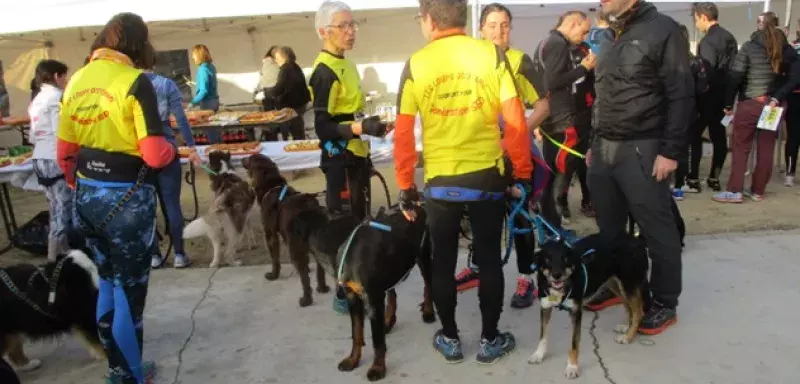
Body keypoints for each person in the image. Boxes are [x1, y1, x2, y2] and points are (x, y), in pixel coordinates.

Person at [395, 0, 533, 364]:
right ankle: (490, 340)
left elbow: (404, 132)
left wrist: (406, 185)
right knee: (489, 259)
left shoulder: (416, 63)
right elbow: (515, 118)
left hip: (441, 181)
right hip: (486, 175)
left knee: (442, 262)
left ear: (428, 19)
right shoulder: (490, 54)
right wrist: (522, 172)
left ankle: (451, 339)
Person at [57, 13, 176, 384]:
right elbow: (155, 154)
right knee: (129, 293)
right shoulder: (134, 81)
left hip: (87, 196)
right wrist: (173, 149)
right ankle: (133, 376)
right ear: (138, 44)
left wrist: (81, 186)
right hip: (126, 201)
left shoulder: (77, 78)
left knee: (107, 282)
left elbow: (65, 151)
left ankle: (117, 370)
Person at [586, 0, 693, 335]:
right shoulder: (611, 33)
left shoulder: (664, 30)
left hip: (643, 146)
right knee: (609, 225)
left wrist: (670, 150)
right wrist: (593, 142)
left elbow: (681, 94)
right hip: (604, 148)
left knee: (656, 226)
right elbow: (602, 95)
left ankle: (664, 301)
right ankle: (617, 282)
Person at [452, 2, 551, 309]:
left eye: (504, 25)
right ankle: (479, 267)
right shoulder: (468, 61)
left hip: (514, 154)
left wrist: (515, 135)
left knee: (520, 216)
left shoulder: (520, 61)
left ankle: (526, 279)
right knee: (480, 211)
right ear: (480, 29)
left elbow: (545, 106)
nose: (498, 31)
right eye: (492, 25)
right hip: (479, 152)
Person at [310, 1, 388, 314]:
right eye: (342, 26)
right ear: (323, 32)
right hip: (338, 159)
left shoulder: (348, 64)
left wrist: (372, 125)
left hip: (356, 155)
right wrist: (358, 127)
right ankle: (344, 293)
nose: (350, 31)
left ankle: (360, 282)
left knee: (361, 220)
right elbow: (321, 125)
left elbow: (349, 111)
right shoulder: (324, 71)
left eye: (353, 24)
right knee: (343, 226)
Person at [713, 13, 800, 203]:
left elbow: (735, 76)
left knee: (741, 147)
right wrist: (777, 97)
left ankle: (735, 190)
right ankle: (758, 190)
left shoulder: (750, 47)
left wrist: (728, 104)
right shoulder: (787, 49)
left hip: (750, 102)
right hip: (773, 105)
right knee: (766, 147)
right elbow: (795, 78)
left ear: (760, 26)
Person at [532, 11, 594, 230]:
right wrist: (583, 69)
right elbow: (552, 82)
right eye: (584, 31)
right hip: (560, 120)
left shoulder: (547, 42)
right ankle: (555, 230)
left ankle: (551, 226)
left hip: (553, 117)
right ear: (573, 24)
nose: (584, 36)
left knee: (553, 174)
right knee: (560, 174)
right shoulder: (557, 44)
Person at [145, 63, 202, 269]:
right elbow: (181, 119)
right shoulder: (166, 84)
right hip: (165, 147)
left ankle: (154, 255)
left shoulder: (128, 85)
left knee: (146, 206)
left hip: (140, 151)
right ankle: (179, 253)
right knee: (172, 204)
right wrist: (192, 147)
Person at [690, 2, 738, 193]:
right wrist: (729, 98)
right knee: (719, 137)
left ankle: (693, 177)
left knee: (694, 135)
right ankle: (714, 177)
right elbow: (735, 71)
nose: (696, 25)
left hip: (707, 97)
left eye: (696, 20)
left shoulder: (707, 42)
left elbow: (705, 73)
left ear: (703, 17)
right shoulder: (730, 38)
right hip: (725, 96)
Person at [28, 60, 73, 262]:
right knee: (62, 208)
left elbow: (32, 135)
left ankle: (62, 249)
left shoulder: (37, 99)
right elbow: (60, 133)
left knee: (54, 206)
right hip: (54, 157)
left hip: (39, 156)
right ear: (57, 76)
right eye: (64, 76)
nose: (66, 80)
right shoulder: (57, 97)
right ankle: (53, 256)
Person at [558, 40, 595, 217]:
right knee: (567, 162)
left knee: (585, 162)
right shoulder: (560, 51)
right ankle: (561, 201)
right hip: (565, 116)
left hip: (585, 114)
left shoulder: (586, 49)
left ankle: (588, 200)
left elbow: (594, 82)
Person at [674, 24, 710, 199]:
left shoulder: (667, 63)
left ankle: (678, 183)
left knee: (677, 147)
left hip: (671, 111)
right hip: (691, 110)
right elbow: (703, 89)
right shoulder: (697, 62)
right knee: (692, 145)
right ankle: (688, 181)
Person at [268, 46, 312, 141]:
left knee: (293, 131)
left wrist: (269, 92)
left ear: (283, 57)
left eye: (277, 57)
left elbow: (279, 88)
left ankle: (296, 148)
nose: (276, 60)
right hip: (300, 102)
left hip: (291, 105)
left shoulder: (286, 69)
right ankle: (299, 144)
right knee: (298, 129)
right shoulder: (295, 66)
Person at [189, 44, 221, 143]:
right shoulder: (210, 66)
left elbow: (204, 91)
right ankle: (220, 150)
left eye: (194, 54)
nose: (192, 57)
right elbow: (209, 84)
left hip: (208, 103)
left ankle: (215, 152)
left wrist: (192, 103)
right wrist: (196, 84)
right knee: (215, 130)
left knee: (211, 132)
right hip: (214, 101)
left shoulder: (202, 69)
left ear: (199, 55)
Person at [257, 46, 280, 111]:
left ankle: (270, 115)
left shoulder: (265, 61)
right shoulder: (271, 60)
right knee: (274, 103)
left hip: (268, 85)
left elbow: (261, 72)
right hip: (272, 85)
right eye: (275, 51)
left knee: (270, 103)